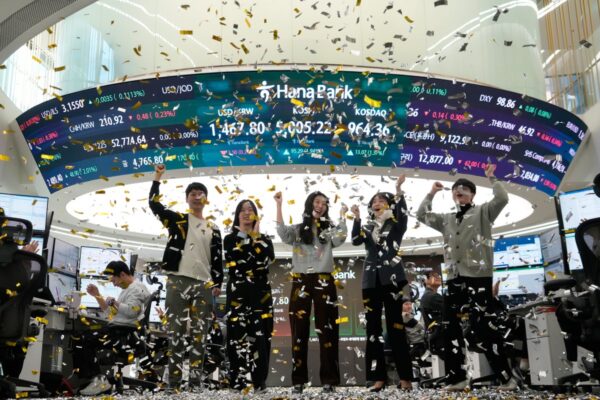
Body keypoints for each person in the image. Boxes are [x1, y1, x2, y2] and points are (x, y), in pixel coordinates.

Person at [416, 164, 517, 391]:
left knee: (484, 327)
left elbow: (502, 198)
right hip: (454, 278)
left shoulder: (483, 212)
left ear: (472, 194)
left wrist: (492, 178)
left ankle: (506, 378)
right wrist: (431, 193)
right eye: (455, 189)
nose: (458, 191)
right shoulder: (447, 219)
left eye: (464, 189)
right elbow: (421, 215)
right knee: (449, 327)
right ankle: (457, 378)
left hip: (478, 277)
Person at [149, 164, 223, 390]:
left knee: (201, 334)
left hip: (203, 284)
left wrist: (218, 282)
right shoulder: (177, 219)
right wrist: (157, 177)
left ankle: (195, 383)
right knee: (176, 333)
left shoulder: (214, 228)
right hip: (177, 280)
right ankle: (173, 383)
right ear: (187, 198)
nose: (197, 197)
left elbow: (217, 258)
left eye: (201, 194)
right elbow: (154, 205)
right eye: (193, 194)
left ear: (206, 199)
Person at [274, 190, 348, 394]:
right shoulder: (299, 229)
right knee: (299, 330)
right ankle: (298, 380)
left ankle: (329, 380)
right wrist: (279, 205)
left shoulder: (329, 229)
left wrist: (342, 216)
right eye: (317, 202)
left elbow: (340, 238)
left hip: (324, 278)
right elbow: (283, 233)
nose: (320, 206)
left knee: (328, 329)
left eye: (324, 203)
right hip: (301, 279)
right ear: (310, 204)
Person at [350, 175, 413, 392]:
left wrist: (398, 190)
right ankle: (377, 378)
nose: (377, 203)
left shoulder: (396, 224)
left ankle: (405, 377)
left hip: (392, 279)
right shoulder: (367, 227)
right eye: (374, 201)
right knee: (373, 330)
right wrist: (357, 219)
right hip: (370, 282)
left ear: (389, 204)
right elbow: (355, 241)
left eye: (381, 200)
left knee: (396, 328)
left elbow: (403, 213)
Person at [72, 261, 151, 396]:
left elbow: (132, 311)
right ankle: (97, 380)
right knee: (83, 336)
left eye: (114, 280)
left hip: (124, 334)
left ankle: (98, 380)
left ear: (122, 274)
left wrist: (114, 302)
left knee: (81, 339)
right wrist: (97, 295)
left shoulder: (136, 289)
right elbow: (110, 314)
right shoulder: (128, 289)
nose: (114, 284)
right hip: (120, 330)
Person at [223, 199, 275, 392]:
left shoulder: (265, 239)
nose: (247, 213)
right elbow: (238, 260)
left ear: (256, 216)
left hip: (260, 294)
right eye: (243, 210)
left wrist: (255, 237)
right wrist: (246, 238)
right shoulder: (229, 239)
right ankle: (237, 381)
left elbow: (265, 259)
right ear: (237, 215)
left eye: (250, 210)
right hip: (238, 293)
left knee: (261, 337)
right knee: (236, 336)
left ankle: (260, 381)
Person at [419, 271, 444, 356]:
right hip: (441, 338)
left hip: (435, 338)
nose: (438, 277)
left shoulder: (427, 295)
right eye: (433, 276)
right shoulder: (432, 296)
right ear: (425, 280)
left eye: (438, 275)